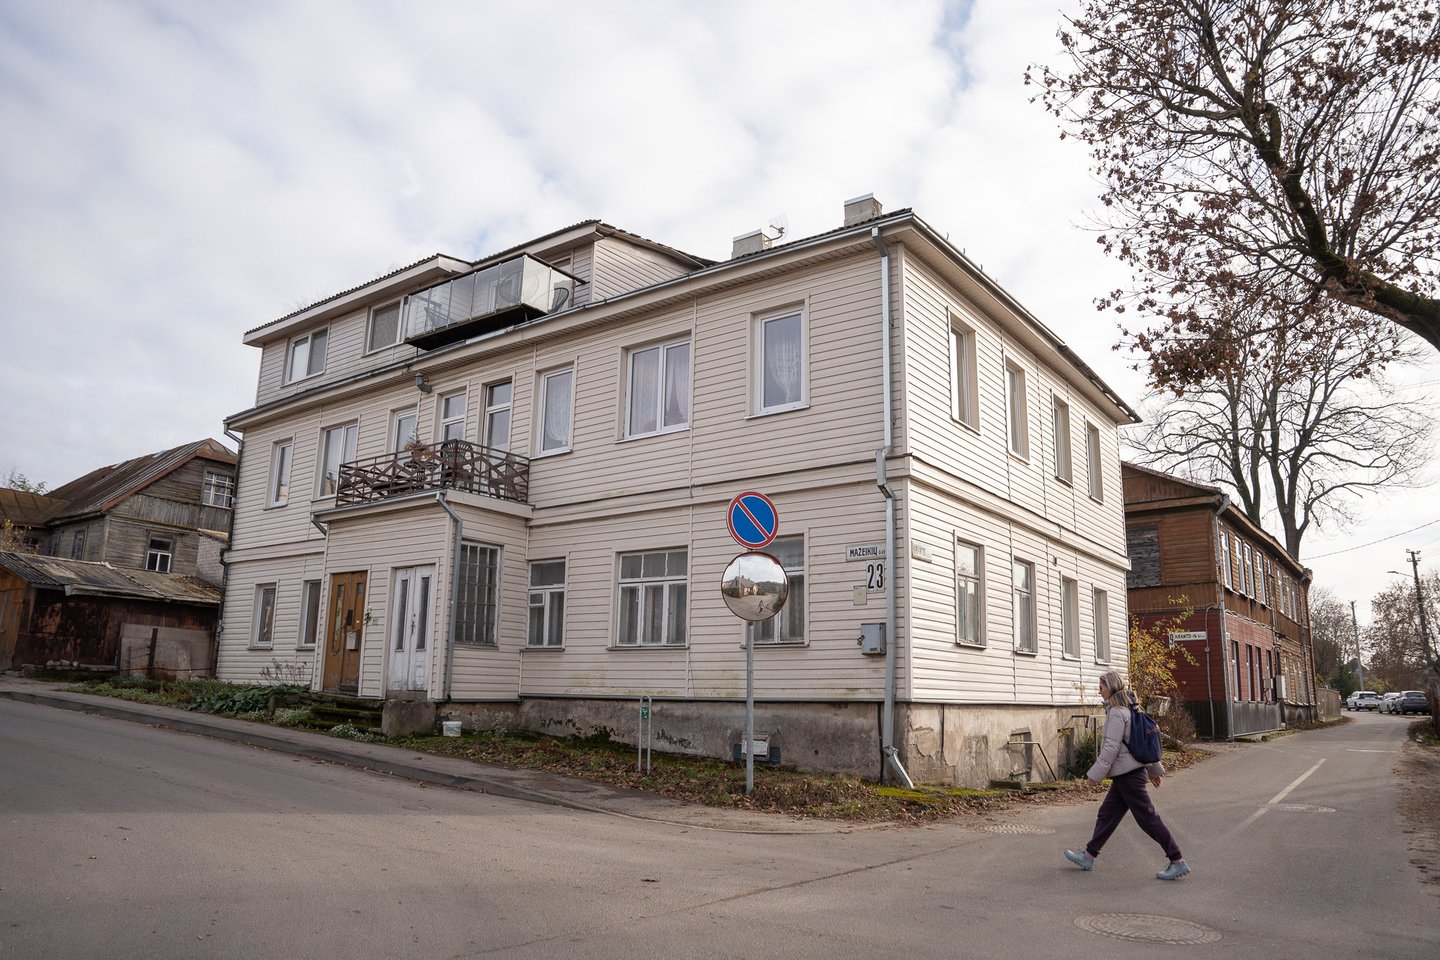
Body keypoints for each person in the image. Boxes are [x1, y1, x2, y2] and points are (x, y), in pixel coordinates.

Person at [1065, 670, 1191, 880]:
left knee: (1148, 819)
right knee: (1107, 815)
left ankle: (1177, 860)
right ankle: (1088, 856)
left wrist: (1095, 774)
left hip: (1129, 776)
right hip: (1127, 775)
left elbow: (1111, 748)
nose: (1099, 690)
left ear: (1111, 687)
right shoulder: (1130, 709)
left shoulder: (1117, 713)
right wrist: (1153, 770)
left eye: (1102, 686)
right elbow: (1140, 744)